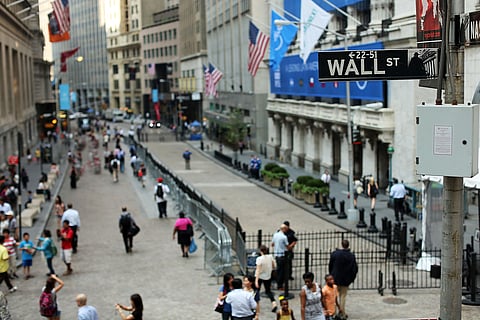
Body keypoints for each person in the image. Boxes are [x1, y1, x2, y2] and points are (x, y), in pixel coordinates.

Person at [328, 240, 358, 320]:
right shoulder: (351, 256)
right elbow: (354, 269)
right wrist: (352, 278)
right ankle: (342, 313)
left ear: (341, 245)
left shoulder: (335, 254)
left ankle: (333, 313)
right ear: (348, 246)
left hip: (335, 278)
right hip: (346, 279)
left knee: (333, 296)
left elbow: (330, 265)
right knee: (343, 296)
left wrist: (331, 275)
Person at [255, 245, 277, 312]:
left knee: (256, 291)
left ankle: (255, 305)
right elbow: (274, 266)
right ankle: (273, 302)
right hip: (268, 276)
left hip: (260, 276)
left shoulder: (259, 259)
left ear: (261, 251)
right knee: (268, 291)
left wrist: (256, 280)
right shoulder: (270, 257)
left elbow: (258, 270)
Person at [271, 224, 289, 290]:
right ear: (283, 229)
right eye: (286, 229)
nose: (287, 231)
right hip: (282, 255)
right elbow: (287, 246)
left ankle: (278, 283)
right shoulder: (284, 237)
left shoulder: (275, 235)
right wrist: (293, 244)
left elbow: (272, 244)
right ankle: (280, 285)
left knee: (279, 270)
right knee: (282, 271)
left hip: (276, 254)